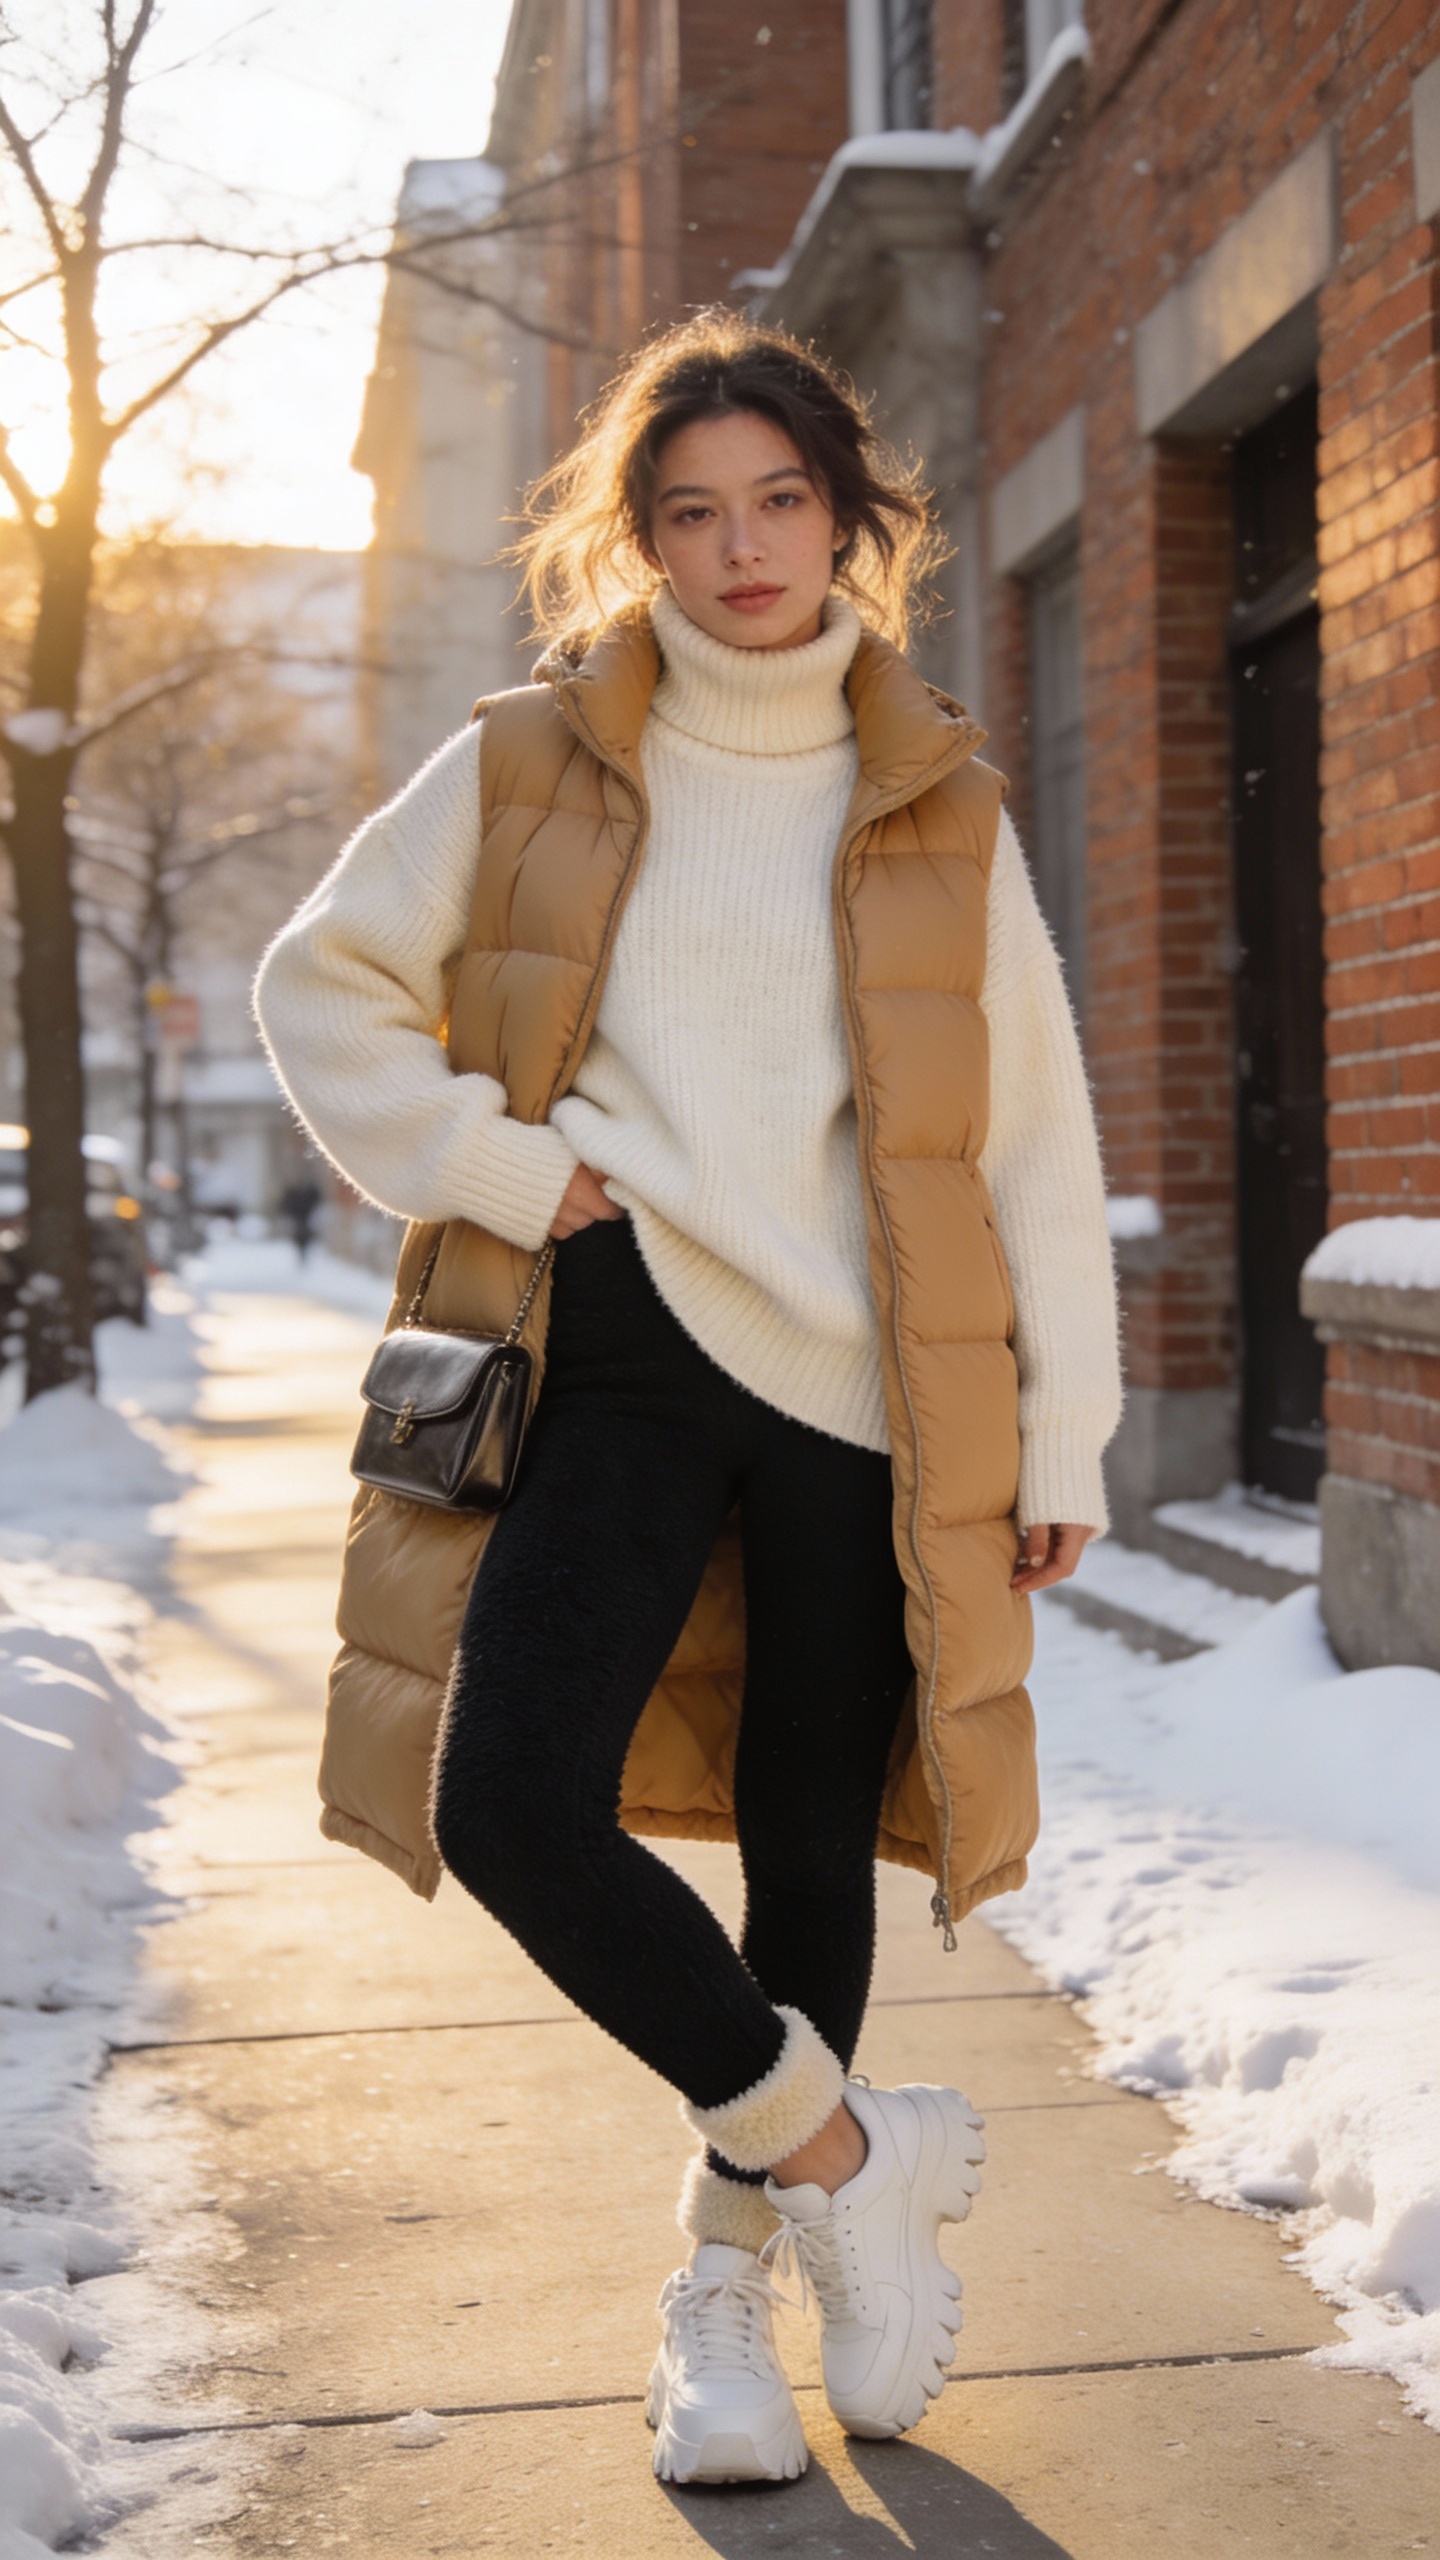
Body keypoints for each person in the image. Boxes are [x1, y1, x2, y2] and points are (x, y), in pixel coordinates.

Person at [254, 312, 1120, 2489]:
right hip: (621, 1342)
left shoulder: (938, 796)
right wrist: (495, 1166)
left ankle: (725, 2300)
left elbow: (1034, 1138)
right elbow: (318, 981)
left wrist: (1069, 1429)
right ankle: (845, 2157)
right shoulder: (536, 756)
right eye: (694, 511)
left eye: (781, 502)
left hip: (868, 1392)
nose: (742, 548)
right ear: (639, 538)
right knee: (509, 1800)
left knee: (811, 1856)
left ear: (848, 519)